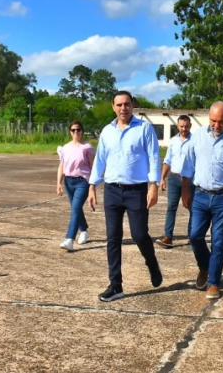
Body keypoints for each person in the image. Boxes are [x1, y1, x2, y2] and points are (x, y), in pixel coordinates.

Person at [87, 90, 163, 302]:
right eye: (119, 105)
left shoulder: (144, 128)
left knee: (139, 235)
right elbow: (99, 160)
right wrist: (92, 186)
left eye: (127, 104)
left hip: (136, 190)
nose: (123, 108)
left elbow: (154, 157)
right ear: (113, 107)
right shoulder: (107, 131)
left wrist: (153, 185)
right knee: (113, 238)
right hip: (112, 190)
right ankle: (116, 284)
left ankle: (152, 262)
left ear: (132, 106)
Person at [181, 102, 223, 300]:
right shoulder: (199, 136)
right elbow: (188, 166)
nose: (216, 125)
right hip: (200, 195)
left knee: (219, 241)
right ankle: (205, 266)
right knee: (194, 236)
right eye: (212, 120)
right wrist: (186, 191)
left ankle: (213, 282)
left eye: (220, 121)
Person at [156, 115, 194, 249]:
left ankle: (192, 236)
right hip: (174, 178)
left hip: (190, 180)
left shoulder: (195, 141)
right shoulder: (173, 141)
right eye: (181, 126)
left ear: (190, 126)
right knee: (171, 207)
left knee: (192, 208)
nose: (184, 129)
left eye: (186, 126)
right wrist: (162, 178)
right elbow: (167, 160)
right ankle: (168, 237)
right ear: (177, 126)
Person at [56, 121, 95, 251]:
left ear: (82, 131)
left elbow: (93, 167)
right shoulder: (65, 148)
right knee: (76, 208)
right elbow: (62, 166)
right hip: (69, 181)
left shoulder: (86, 147)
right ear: (70, 132)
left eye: (78, 130)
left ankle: (69, 239)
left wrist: (92, 186)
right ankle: (84, 231)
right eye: (73, 130)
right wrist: (58, 183)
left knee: (75, 208)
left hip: (82, 181)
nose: (76, 132)